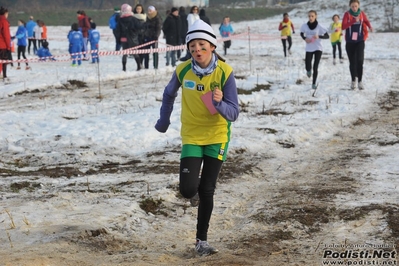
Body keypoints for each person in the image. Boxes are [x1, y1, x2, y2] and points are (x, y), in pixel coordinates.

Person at [155, 19, 239, 256]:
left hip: (217, 136)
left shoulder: (225, 72)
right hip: (192, 136)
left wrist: (219, 103)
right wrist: (164, 120)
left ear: (212, 46)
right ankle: (196, 195)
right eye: (192, 46)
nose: (197, 50)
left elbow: (234, 113)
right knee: (188, 189)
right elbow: (168, 94)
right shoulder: (182, 70)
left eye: (202, 45)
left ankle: (201, 241)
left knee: (207, 190)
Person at [342, 0, 372, 90]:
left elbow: (366, 21)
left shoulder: (361, 13)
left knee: (360, 61)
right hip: (350, 42)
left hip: (360, 41)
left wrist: (370, 26)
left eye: (356, 6)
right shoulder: (347, 14)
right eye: (352, 6)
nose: (354, 8)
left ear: (358, 6)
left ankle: (360, 81)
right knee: (352, 62)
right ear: (350, 6)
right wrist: (353, 21)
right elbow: (343, 26)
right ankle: (353, 81)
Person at [300, 10, 329, 90]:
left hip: (318, 48)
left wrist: (319, 36)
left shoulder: (320, 26)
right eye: (309, 16)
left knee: (315, 67)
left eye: (312, 16)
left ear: (315, 16)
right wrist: (305, 38)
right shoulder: (305, 26)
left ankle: (313, 83)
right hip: (309, 48)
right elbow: (301, 33)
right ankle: (308, 71)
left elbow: (327, 36)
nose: (311, 18)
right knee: (307, 65)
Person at [114, 3, 143, 71]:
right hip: (132, 38)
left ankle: (124, 67)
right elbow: (139, 27)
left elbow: (118, 30)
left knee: (124, 53)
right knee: (135, 52)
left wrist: (118, 39)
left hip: (123, 39)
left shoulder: (120, 20)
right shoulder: (133, 19)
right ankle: (139, 66)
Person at [0, 6, 11, 80]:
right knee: (3, 61)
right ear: (5, 13)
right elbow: (6, 35)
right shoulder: (4, 21)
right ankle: (4, 76)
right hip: (2, 44)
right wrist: (8, 46)